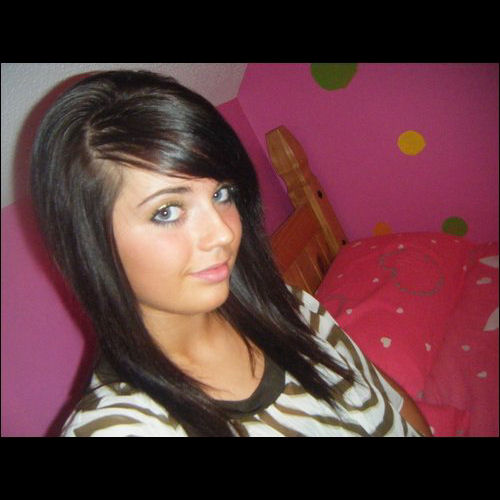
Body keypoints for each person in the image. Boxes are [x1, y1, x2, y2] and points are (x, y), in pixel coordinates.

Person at [30, 69, 431, 437]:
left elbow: (392, 404)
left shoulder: (290, 307)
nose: (223, 232)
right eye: (167, 211)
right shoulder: (120, 428)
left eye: (221, 194)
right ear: (89, 241)